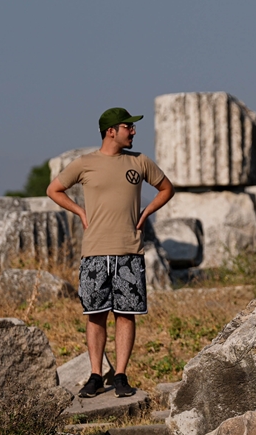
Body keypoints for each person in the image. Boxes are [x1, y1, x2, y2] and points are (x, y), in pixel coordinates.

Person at [47, 107, 175, 398]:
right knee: (95, 315)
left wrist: (146, 213)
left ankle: (120, 375)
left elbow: (166, 189)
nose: (133, 131)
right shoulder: (84, 163)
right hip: (94, 252)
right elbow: (54, 189)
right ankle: (95, 375)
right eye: (128, 126)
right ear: (111, 131)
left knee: (126, 315)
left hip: (129, 250)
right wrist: (79, 210)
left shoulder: (140, 161)